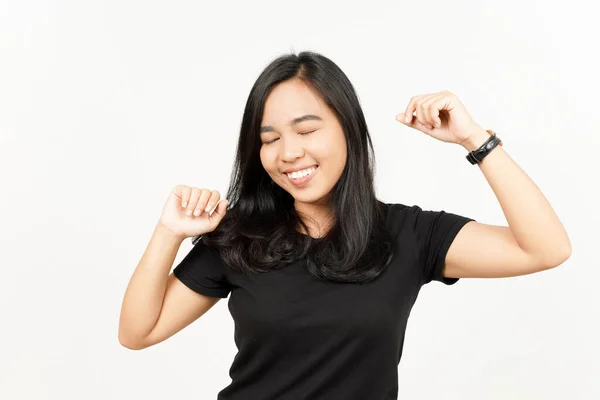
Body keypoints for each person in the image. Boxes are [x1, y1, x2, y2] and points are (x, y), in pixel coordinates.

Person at [118, 51, 571, 399]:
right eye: (270, 139)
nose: (288, 152)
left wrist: (475, 138)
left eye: (307, 129)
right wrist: (168, 233)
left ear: (347, 129)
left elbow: (546, 249)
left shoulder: (409, 234)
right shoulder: (241, 234)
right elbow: (138, 333)